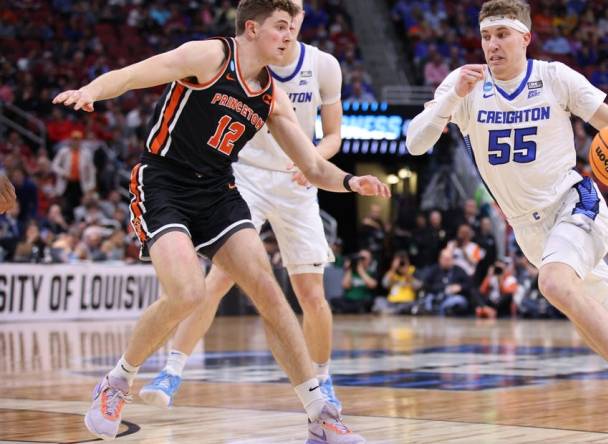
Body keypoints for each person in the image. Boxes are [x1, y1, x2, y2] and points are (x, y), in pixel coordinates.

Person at [53, 1, 388, 442]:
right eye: (281, 27)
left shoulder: (271, 96)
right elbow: (135, 72)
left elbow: (311, 164)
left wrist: (350, 181)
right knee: (189, 292)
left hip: (216, 190)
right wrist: (92, 90)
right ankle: (117, 380)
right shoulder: (209, 56)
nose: (290, 35)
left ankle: (320, 415)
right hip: (163, 180)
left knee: (270, 292)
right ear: (252, 29)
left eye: (293, 28)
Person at [405, 1, 608, 441]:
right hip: (529, 230)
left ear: (525, 37)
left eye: (502, 34)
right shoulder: (465, 85)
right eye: (486, 36)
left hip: (574, 204)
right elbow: (414, 143)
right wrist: (450, 99)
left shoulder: (553, 77)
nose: (492, 45)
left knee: (554, 284)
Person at [139, 0, 349, 415]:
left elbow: (335, 135)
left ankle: (322, 380)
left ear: (302, 18)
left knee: (310, 293)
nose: (290, 21)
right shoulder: (245, 57)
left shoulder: (324, 65)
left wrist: (313, 163)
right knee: (218, 281)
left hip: (296, 180)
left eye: (296, 13)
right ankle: (172, 370)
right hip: (245, 175)